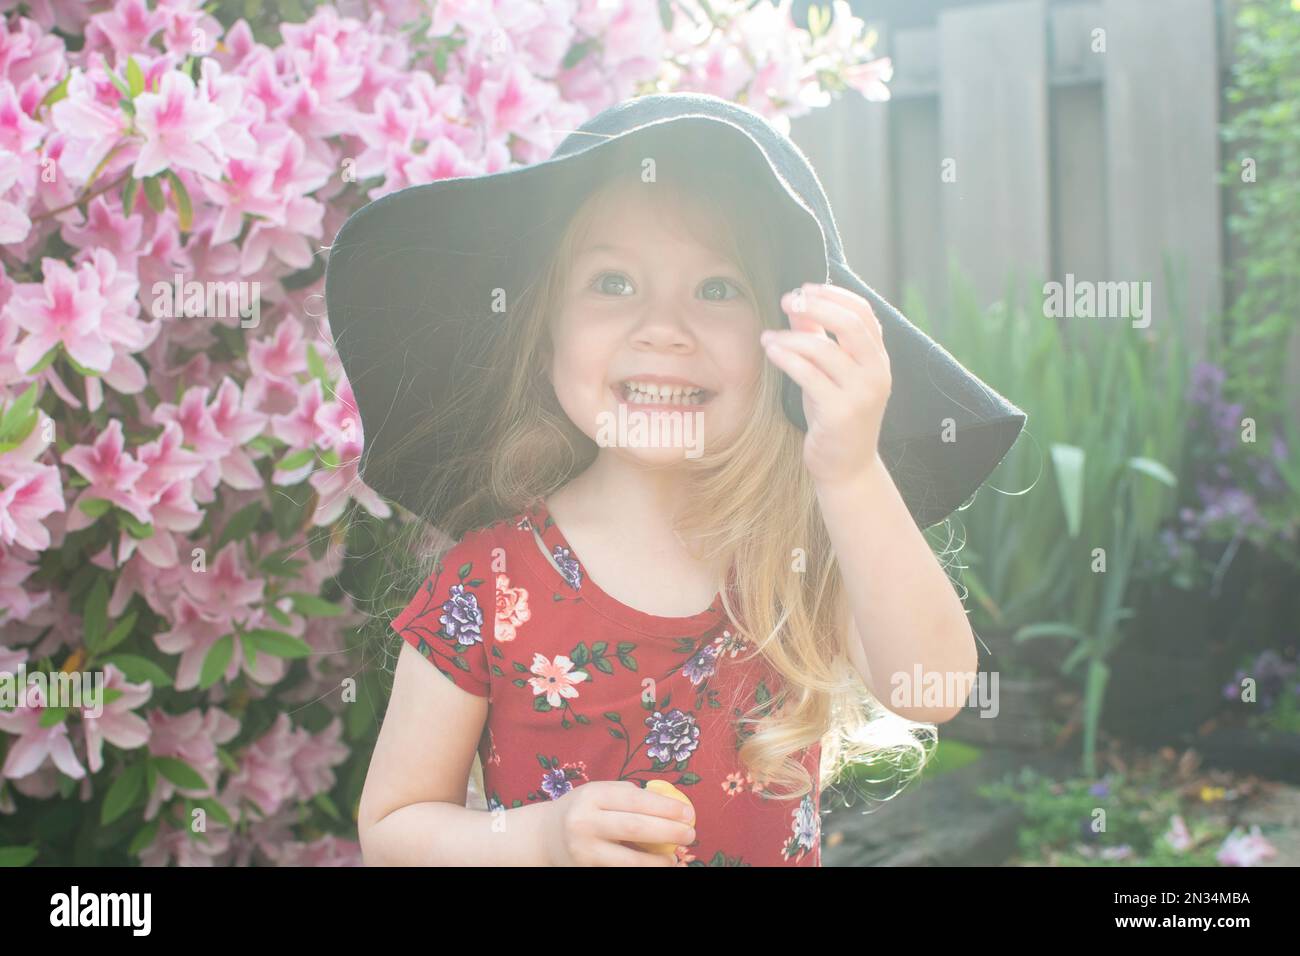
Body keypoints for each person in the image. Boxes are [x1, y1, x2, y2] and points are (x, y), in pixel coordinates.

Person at [325, 93, 1027, 867]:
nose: (664, 328)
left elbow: (930, 689)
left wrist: (853, 471)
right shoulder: (487, 584)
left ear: (784, 344)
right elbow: (392, 828)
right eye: (613, 283)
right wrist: (544, 839)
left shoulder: (793, 554)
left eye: (718, 288)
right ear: (545, 326)